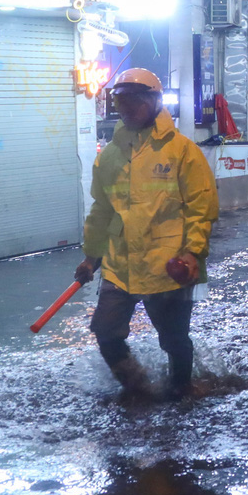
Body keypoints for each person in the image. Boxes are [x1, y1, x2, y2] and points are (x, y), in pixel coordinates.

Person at [76, 67, 219, 399]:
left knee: (174, 339)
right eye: (120, 102)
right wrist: (90, 256)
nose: (125, 109)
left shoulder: (183, 151)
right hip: (120, 264)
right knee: (106, 333)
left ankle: (182, 388)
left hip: (167, 265)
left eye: (134, 102)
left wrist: (192, 252)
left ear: (155, 101)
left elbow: (202, 207)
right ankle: (137, 388)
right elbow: (102, 210)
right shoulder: (111, 156)